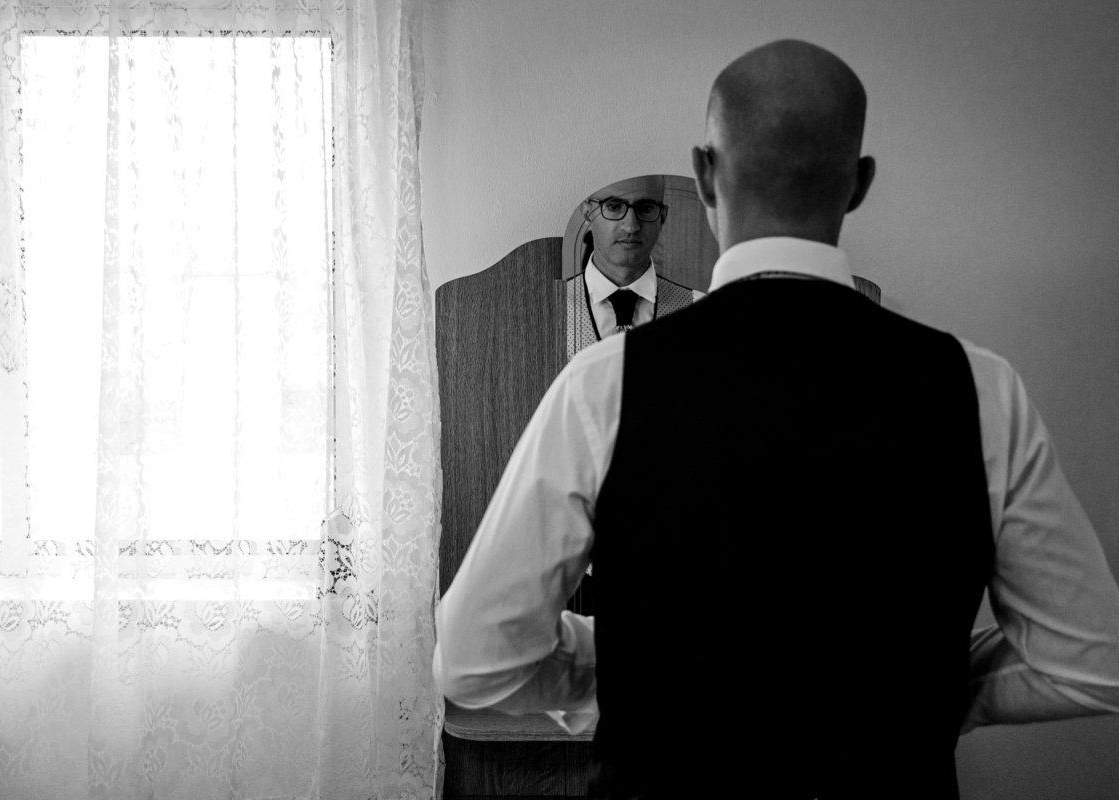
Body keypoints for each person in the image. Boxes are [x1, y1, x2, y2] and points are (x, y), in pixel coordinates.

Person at [433, 39, 1119, 799]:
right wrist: (928, 691)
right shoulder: (980, 388)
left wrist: (632, 672)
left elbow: (475, 661)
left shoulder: (604, 385)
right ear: (859, 184)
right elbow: (1092, 663)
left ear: (704, 174)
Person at [566, 175, 705, 361]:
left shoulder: (702, 316)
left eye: (645, 208)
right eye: (614, 207)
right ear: (587, 213)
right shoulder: (543, 313)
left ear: (662, 217)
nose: (631, 226)